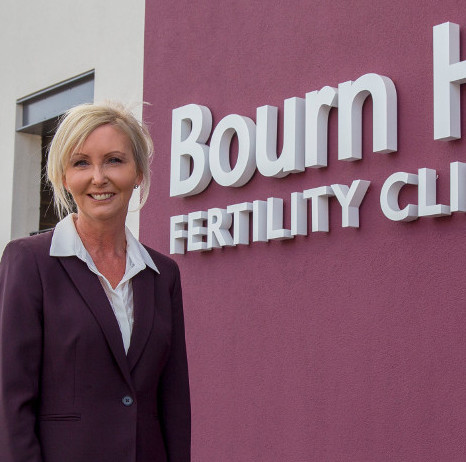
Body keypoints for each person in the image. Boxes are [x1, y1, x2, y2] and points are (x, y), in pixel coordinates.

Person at [0, 102, 190, 462]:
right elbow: (9, 402)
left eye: (115, 160)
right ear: (63, 176)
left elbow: (174, 403)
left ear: (138, 174)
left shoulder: (163, 275)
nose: (98, 177)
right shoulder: (29, 262)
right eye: (81, 162)